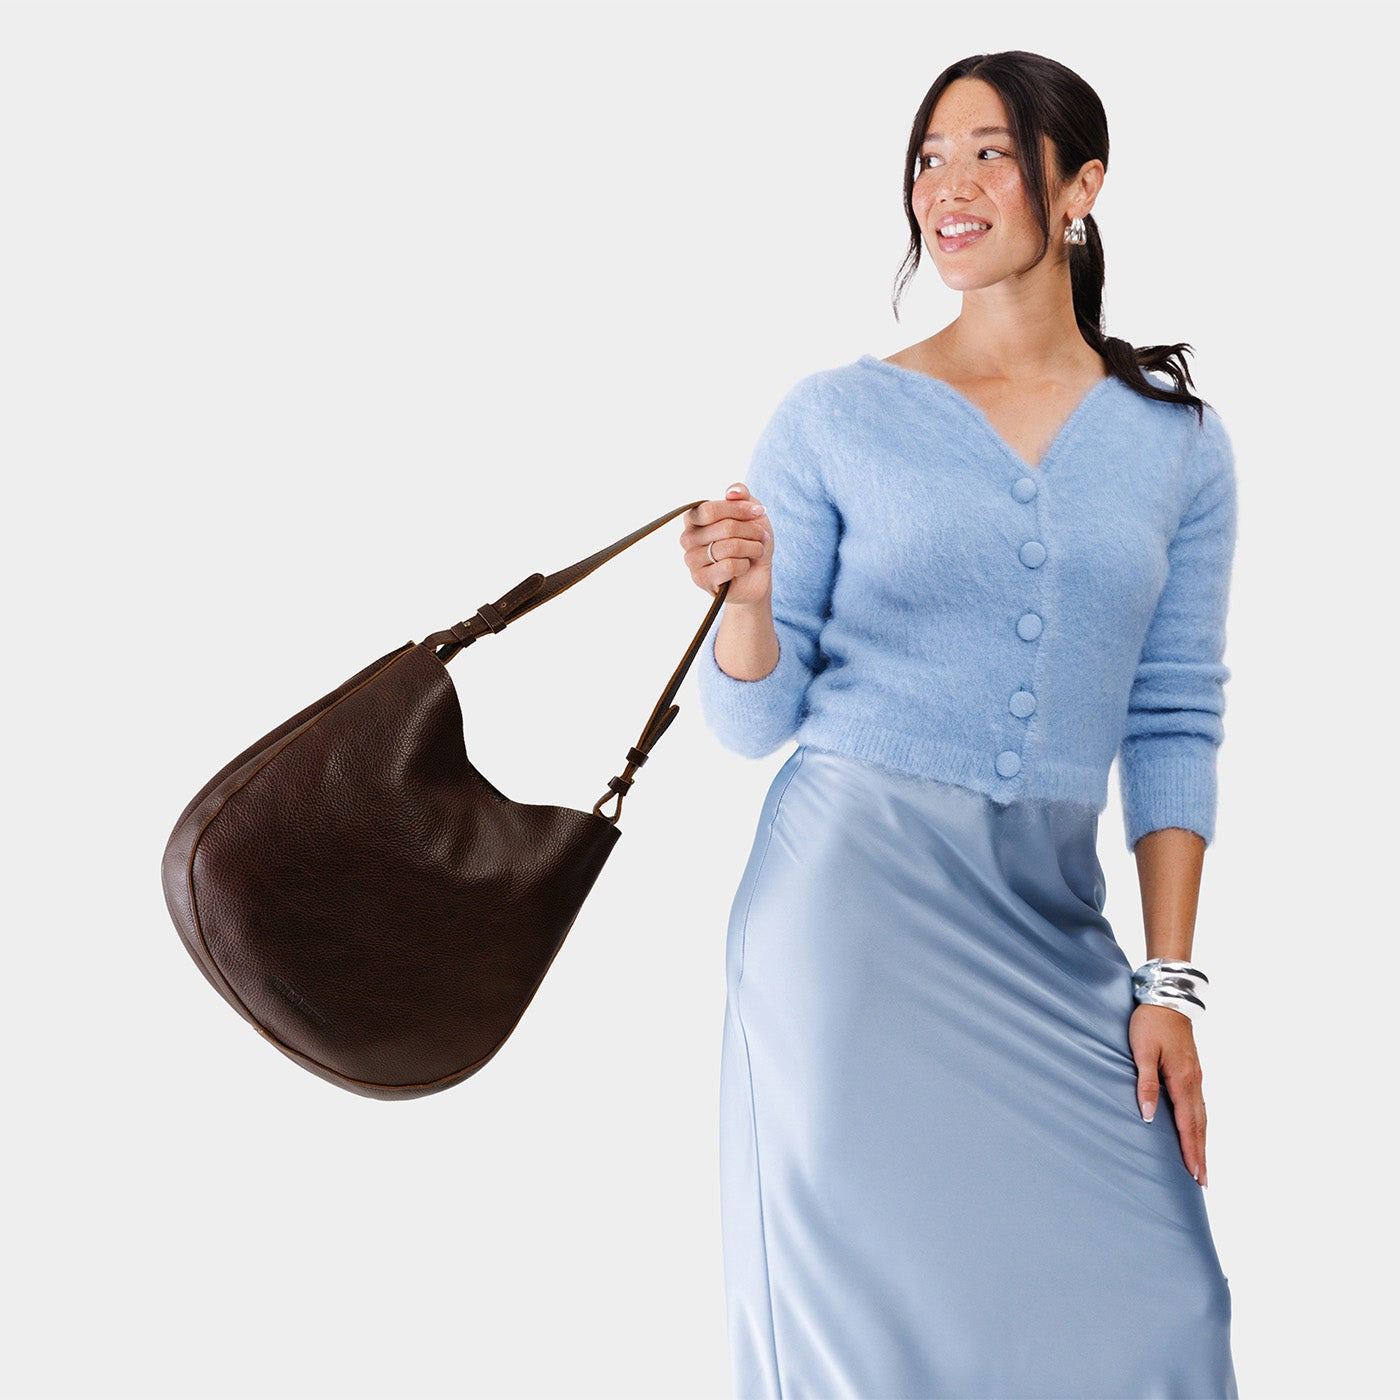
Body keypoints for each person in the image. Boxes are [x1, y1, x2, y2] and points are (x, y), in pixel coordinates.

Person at [678, 50, 1240, 1400]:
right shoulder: (835, 417)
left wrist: (1166, 982)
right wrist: (745, 605)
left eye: (991, 153)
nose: (951, 186)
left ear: (1080, 186)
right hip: (848, 917)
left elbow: (1174, 715)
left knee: (1168, 1313)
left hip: (1053, 921)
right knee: (866, 1340)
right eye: (931, 157)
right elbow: (750, 724)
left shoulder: (1177, 443)